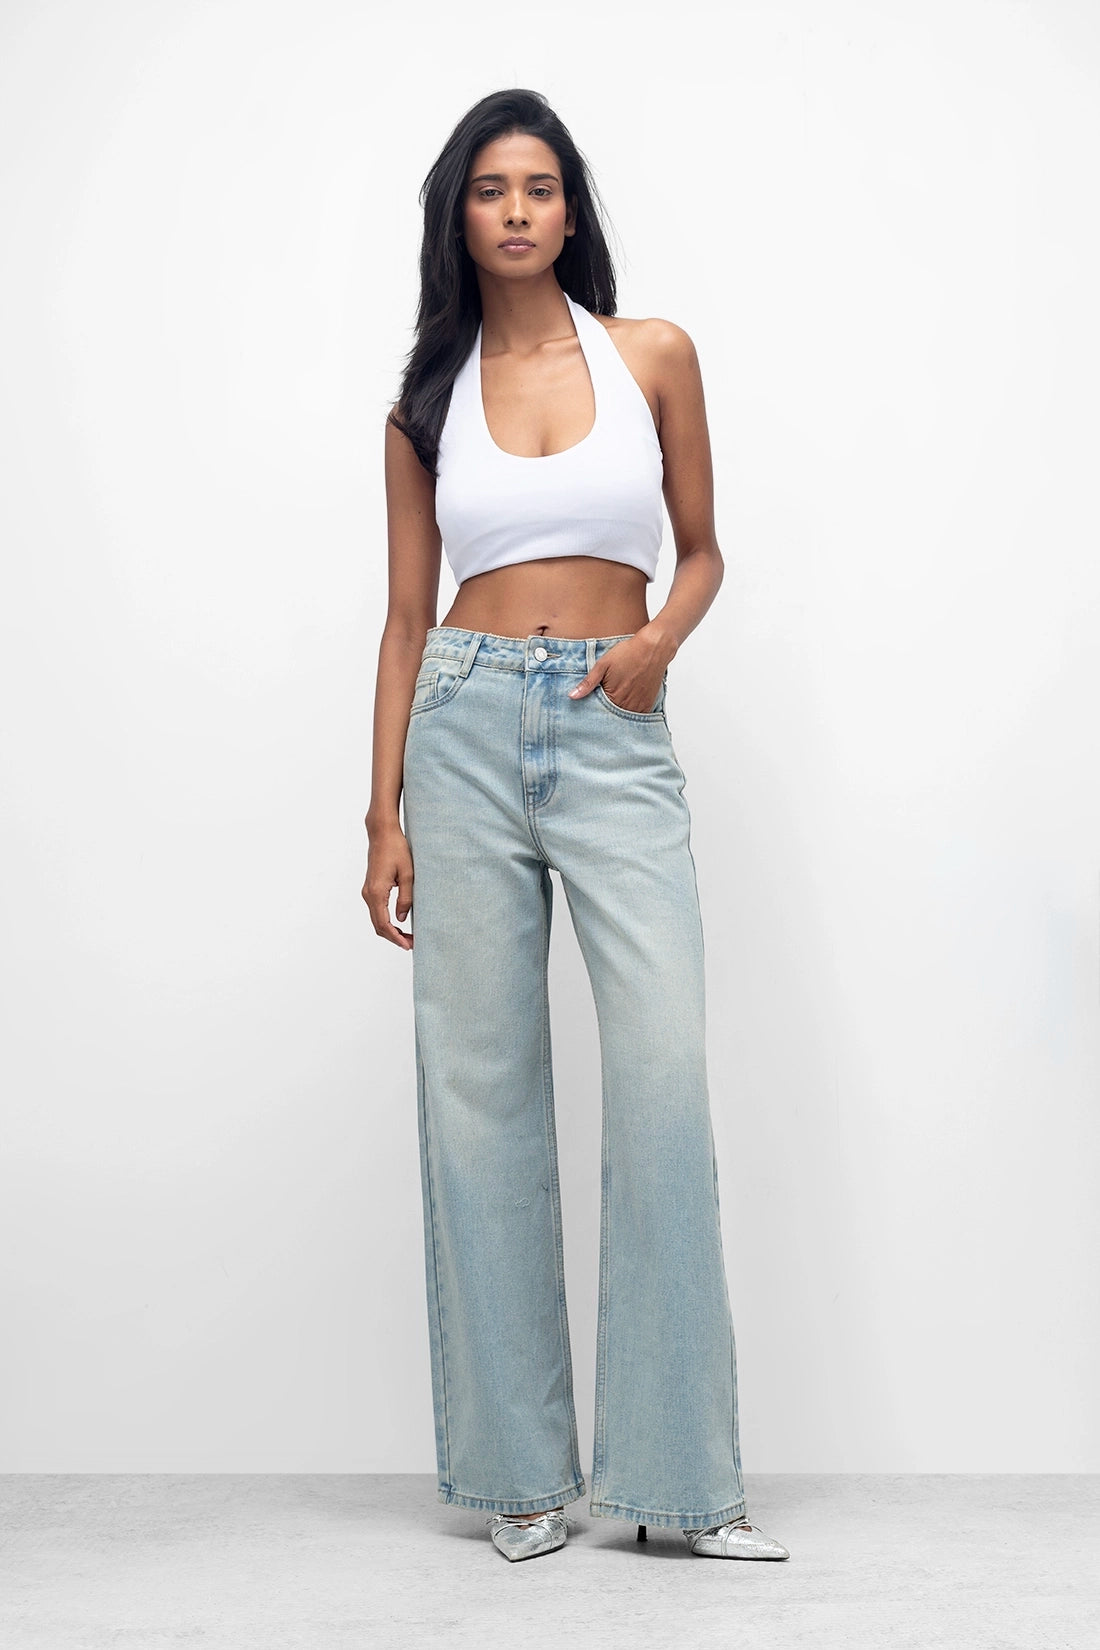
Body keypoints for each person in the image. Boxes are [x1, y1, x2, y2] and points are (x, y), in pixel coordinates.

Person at [362, 88, 790, 1567]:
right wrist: (381, 814)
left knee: (662, 1075)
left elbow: (704, 550)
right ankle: (518, 1477)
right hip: (463, 725)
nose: (519, 210)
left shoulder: (650, 354)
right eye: (492, 189)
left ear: (569, 208)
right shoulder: (425, 405)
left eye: (540, 186)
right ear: (459, 216)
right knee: (479, 1094)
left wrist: (657, 646)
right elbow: (405, 619)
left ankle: (681, 1481)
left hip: (614, 716)